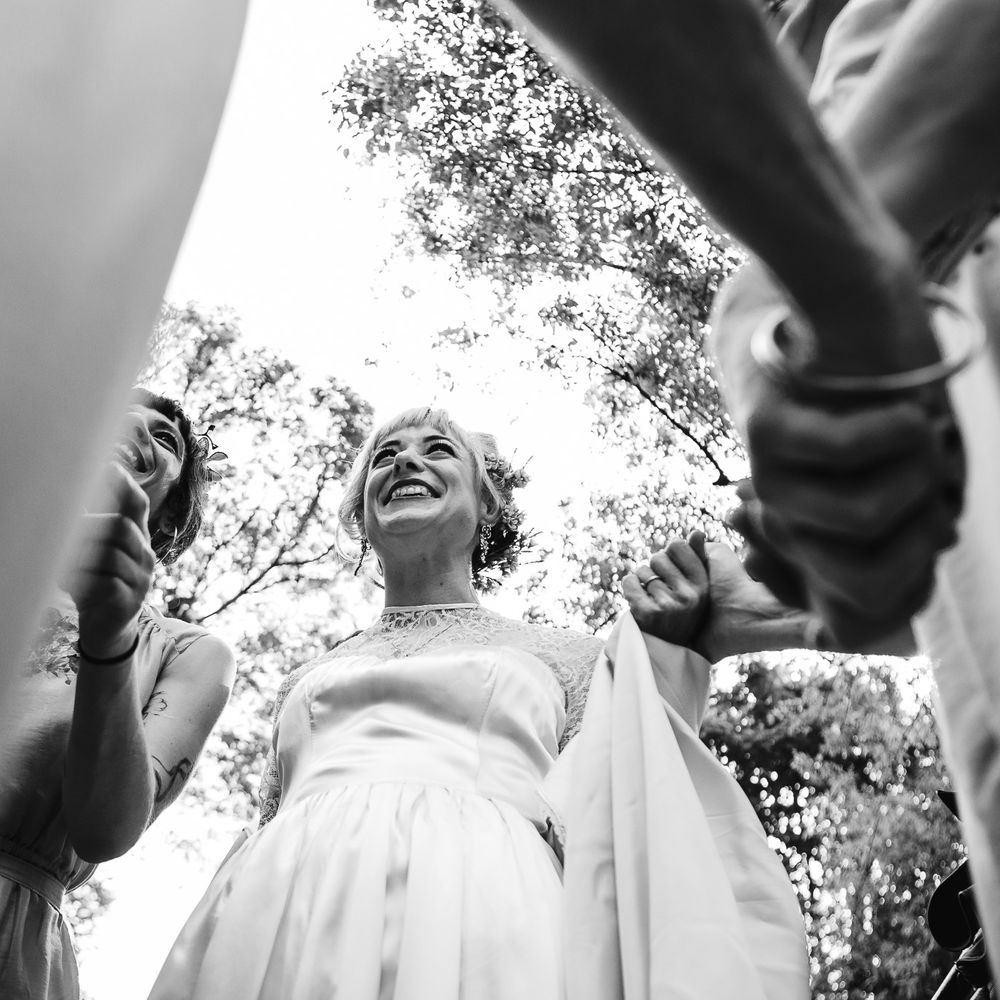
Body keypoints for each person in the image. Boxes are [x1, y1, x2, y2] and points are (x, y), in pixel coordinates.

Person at [146, 405, 836, 1000]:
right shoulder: (308, 674)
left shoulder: (568, 657)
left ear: (488, 505)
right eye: (384, 455)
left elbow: (624, 803)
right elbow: (271, 813)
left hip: (484, 906)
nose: (405, 461)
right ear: (362, 516)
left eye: (437, 450)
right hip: (287, 904)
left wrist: (675, 643)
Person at [0, 389, 236, 1000]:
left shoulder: (187, 652)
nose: (136, 427)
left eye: (166, 437)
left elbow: (104, 831)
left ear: (170, 515)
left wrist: (109, 634)